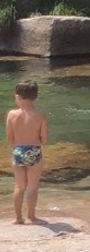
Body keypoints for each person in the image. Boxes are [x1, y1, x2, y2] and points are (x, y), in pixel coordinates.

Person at [6, 80, 48, 225]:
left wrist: (16, 148)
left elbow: (10, 137)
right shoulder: (40, 115)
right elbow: (44, 138)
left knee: (19, 186)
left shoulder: (12, 114)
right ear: (35, 97)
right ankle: (32, 216)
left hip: (18, 150)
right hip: (34, 150)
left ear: (18, 97)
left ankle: (18, 218)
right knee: (32, 186)